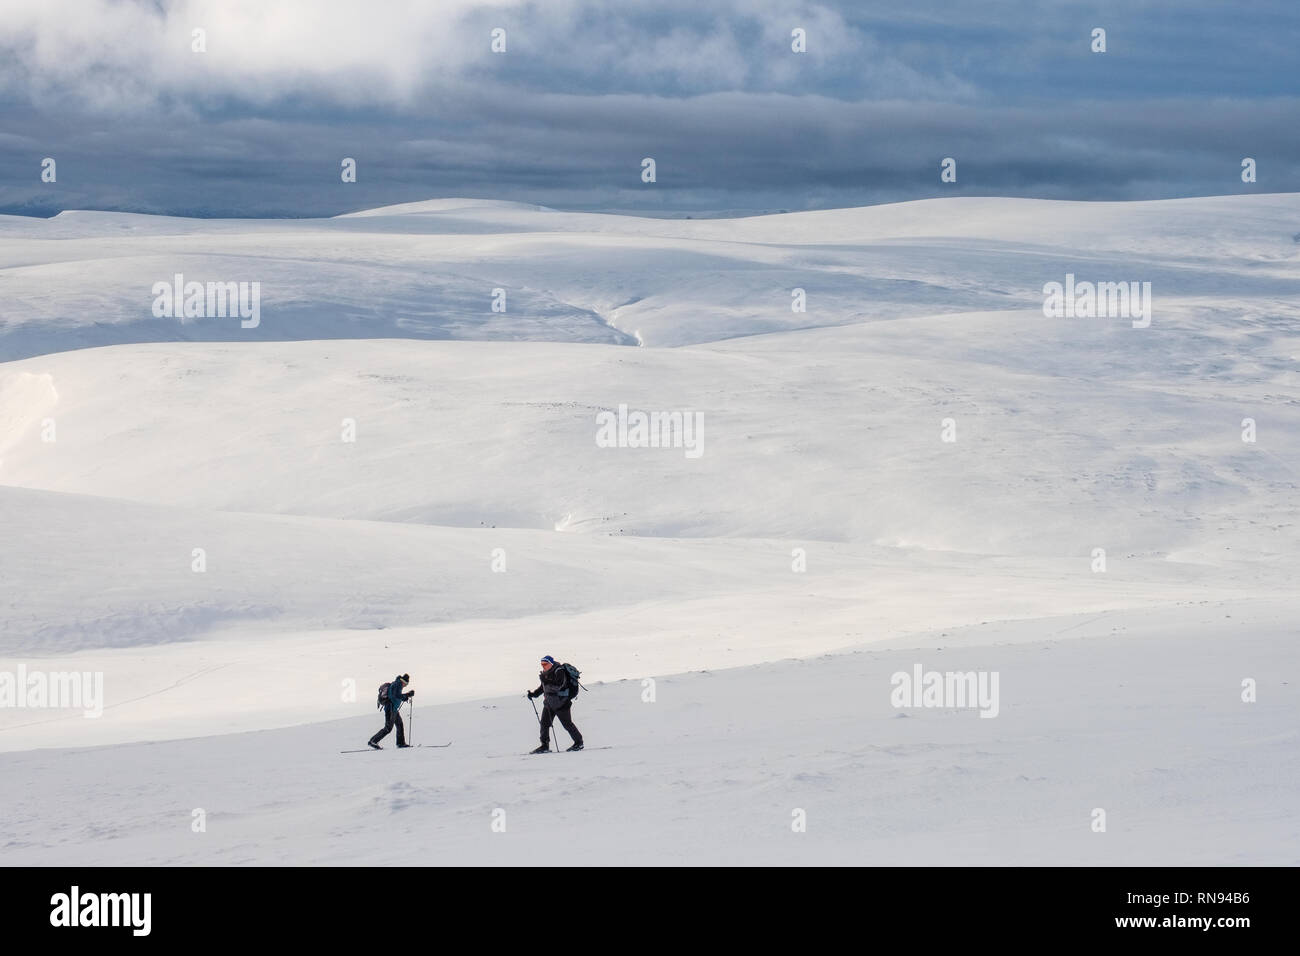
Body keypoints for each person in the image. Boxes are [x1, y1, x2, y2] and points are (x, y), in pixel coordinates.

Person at [527, 655, 583, 753]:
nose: (543, 666)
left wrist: (545, 680)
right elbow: (543, 687)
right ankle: (544, 746)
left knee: (567, 724)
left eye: (545, 664)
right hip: (549, 703)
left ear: (551, 663)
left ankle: (579, 743)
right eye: (542, 664)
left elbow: (558, 685)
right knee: (544, 724)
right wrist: (534, 694)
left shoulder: (559, 671)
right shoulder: (545, 672)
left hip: (561, 702)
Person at [369, 673, 414, 749]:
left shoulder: (396, 683)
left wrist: (405, 697)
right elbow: (396, 695)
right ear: (404, 682)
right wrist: (407, 695)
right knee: (388, 728)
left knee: (399, 725)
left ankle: (401, 743)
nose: (405, 686)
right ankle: (373, 741)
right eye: (405, 685)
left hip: (393, 709)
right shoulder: (398, 684)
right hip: (391, 708)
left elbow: (396, 695)